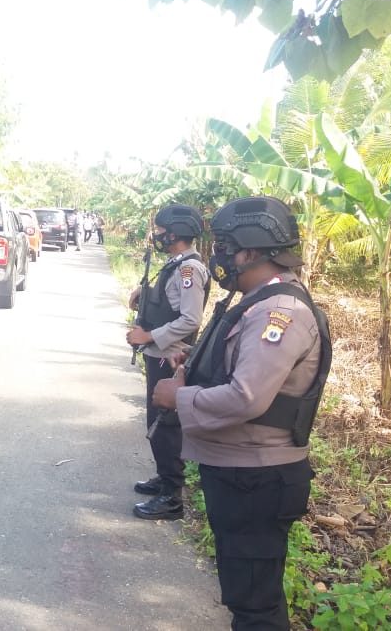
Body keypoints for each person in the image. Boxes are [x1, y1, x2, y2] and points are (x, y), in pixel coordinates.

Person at [152, 196, 331, 630]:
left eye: (225, 248)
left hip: (256, 479)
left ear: (250, 252)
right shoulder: (258, 300)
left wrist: (179, 398)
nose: (218, 257)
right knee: (248, 595)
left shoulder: (279, 311)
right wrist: (195, 363)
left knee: (255, 606)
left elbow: (247, 397)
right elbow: (243, 367)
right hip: (243, 473)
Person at [125, 204, 209, 520]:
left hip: (169, 356)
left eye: (161, 231)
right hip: (158, 353)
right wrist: (144, 294)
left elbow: (190, 319)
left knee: (166, 425)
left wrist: (148, 336)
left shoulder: (190, 270)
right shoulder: (176, 265)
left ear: (175, 233)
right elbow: (169, 303)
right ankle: (164, 477)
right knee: (156, 422)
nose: (157, 236)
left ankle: (172, 497)